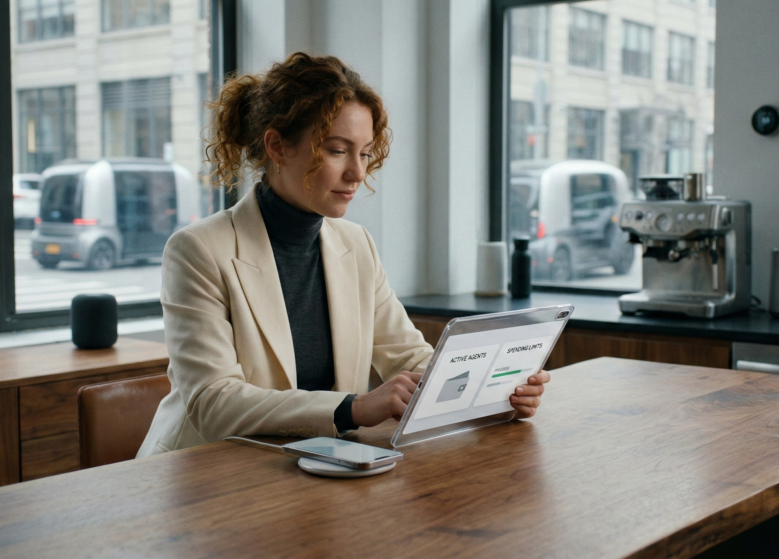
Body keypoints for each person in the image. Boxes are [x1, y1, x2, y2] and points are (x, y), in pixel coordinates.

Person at [137, 53, 550, 457]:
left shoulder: (356, 244)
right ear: (277, 147)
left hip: (313, 462)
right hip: (204, 470)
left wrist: (495, 391)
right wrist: (352, 408)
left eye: (365, 152)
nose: (358, 172)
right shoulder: (198, 250)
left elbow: (408, 357)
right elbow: (213, 402)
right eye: (337, 150)